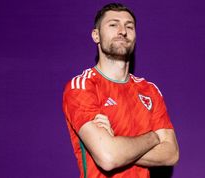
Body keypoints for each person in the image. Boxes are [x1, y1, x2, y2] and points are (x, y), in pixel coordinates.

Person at [62, 3, 179, 178]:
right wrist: (154, 137)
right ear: (96, 35)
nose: (122, 31)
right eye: (113, 24)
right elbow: (108, 158)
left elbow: (171, 154)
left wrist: (116, 144)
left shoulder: (149, 90)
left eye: (129, 26)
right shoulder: (82, 86)